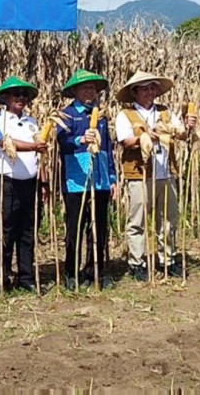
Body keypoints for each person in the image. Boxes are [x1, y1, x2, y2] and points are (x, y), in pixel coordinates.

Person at [114, 71, 196, 281]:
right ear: (134, 92)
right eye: (145, 89)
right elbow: (125, 141)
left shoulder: (165, 112)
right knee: (138, 221)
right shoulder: (126, 114)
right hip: (140, 174)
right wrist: (143, 137)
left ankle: (167, 259)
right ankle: (137, 262)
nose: (150, 92)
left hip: (166, 173)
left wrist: (188, 126)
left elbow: (181, 134)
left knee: (168, 219)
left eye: (152, 88)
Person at [0, 76, 48, 294]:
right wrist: (34, 146)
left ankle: (26, 276)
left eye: (24, 95)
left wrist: (43, 181)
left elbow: (40, 155)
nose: (21, 98)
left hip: (30, 183)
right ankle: (1, 278)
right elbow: (6, 144)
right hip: (6, 183)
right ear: (5, 98)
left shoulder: (32, 122)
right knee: (6, 231)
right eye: (16, 94)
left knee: (28, 231)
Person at [57, 69, 116, 289]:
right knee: (76, 229)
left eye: (92, 88)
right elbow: (63, 142)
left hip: (99, 180)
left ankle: (94, 272)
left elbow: (108, 148)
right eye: (85, 88)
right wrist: (81, 139)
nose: (89, 91)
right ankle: (71, 273)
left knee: (99, 229)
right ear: (74, 91)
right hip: (77, 180)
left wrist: (112, 177)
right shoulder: (67, 115)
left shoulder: (100, 116)